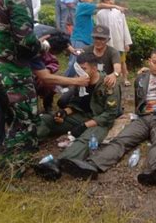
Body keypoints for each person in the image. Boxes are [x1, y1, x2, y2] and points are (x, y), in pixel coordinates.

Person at [58, 50, 156, 185]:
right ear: (149, 62)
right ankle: (91, 165)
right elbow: (138, 100)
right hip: (143, 118)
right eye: (155, 62)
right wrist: (138, 113)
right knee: (120, 140)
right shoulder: (141, 77)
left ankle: (155, 169)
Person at [33, 52, 121, 181]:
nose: (80, 71)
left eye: (84, 68)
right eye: (78, 68)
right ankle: (30, 141)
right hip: (81, 116)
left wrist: (84, 126)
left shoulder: (108, 84)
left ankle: (59, 162)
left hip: (99, 121)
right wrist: (64, 112)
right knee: (46, 119)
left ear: (94, 68)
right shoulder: (80, 81)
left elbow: (110, 115)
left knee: (87, 138)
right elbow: (75, 104)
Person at [0, 0, 41, 160]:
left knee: (4, 118)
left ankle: (2, 160)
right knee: (26, 121)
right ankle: (10, 171)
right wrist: (43, 46)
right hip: (12, 71)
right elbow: (25, 42)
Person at [65, 0, 126, 77]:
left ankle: (79, 83)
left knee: (84, 63)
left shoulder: (85, 9)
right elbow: (100, 6)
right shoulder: (83, 6)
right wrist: (115, 6)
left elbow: (98, 11)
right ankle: (64, 83)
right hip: (79, 40)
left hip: (85, 40)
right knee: (74, 63)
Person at [58, 25, 121, 109]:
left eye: (102, 39)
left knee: (107, 107)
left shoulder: (113, 52)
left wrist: (114, 74)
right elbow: (78, 68)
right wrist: (74, 84)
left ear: (107, 40)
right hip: (85, 82)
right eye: (96, 38)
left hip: (103, 84)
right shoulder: (86, 50)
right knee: (63, 101)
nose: (98, 41)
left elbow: (117, 67)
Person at [31, 24, 90, 113]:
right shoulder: (32, 48)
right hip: (14, 69)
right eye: (52, 52)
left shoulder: (48, 32)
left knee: (49, 84)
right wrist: (76, 81)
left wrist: (71, 49)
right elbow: (45, 77)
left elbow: (59, 36)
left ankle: (47, 105)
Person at [96, 0, 132, 87]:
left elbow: (125, 28)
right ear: (102, 1)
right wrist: (99, 42)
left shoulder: (119, 12)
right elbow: (99, 29)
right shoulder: (100, 14)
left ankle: (125, 78)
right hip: (107, 43)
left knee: (122, 61)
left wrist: (126, 42)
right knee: (106, 61)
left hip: (119, 41)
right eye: (107, 0)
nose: (110, 1)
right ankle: (106, 78)